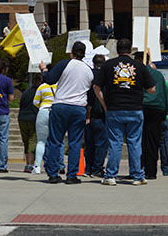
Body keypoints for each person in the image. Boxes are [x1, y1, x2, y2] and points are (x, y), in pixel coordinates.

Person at [93, 38, 156, 186]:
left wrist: (104, 104)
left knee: (115, 143)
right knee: (134, 143)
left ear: (117, 50)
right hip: (135, 108)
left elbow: (96, 87)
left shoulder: (108, 65)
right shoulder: (139, 66)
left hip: (114, 108)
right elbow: (152, 89)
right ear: (130, 50)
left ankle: (111, 175)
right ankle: (137, 175)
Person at [39, 41, 93, 184]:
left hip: (61, 105)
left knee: (55, 140)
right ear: (84, 54)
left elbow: (49, 79)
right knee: (75, 142)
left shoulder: (64, 64)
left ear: (72, 53)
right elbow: (91, 94)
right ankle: (72, 175)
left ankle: (53, 173)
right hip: (79, 108)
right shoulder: (89, 70)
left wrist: (43, 69)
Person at [139, 52, 168, 180]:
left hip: (142, 107)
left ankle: (139, 168)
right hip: (157, 109)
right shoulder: (158, 75)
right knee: (152, 142)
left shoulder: (139, 72)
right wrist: (165, 112)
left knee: (138, 140)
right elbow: (164, 94)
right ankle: (151, 171)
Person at [85, 54, 109, 178]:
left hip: (89, 114)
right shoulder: (106, 76)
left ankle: (88, 168)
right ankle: (97, 168)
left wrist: (87, 115)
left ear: (93, 63)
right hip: (102, 115)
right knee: (101, 144)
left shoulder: (89, 75)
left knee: (89, 143)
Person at [31, 74, 61, 175]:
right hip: (56, 112)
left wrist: (42, 105)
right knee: (57, 141)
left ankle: (37, 166)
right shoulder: (59, 86)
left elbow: (35, 102)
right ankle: (58, 165)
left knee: (41, 141)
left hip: (43, 111)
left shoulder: (42, 87)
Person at [17, 81, 39, 173]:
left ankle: (27, 164)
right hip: (33, 118)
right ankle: (30, 165)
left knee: (26, 141)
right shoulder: (40, 92)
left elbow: (21, 104)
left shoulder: (26, 92)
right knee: (32, 141)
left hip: (22, 118)